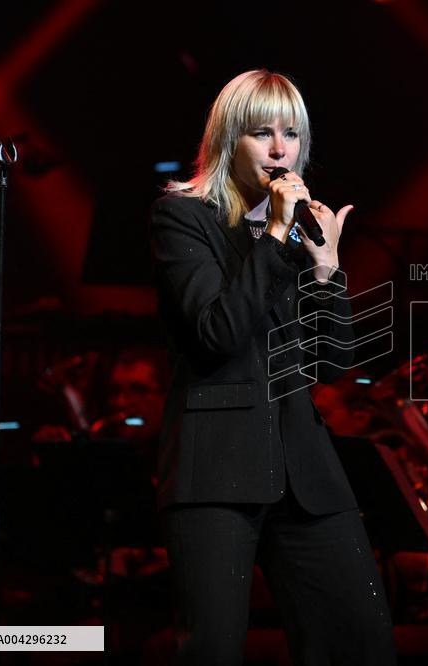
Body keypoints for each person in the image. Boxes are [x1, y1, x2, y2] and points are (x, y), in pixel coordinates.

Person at [149, 69, 396, 665]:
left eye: (292, 133)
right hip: (215, 465)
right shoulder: (184, 219)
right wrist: (277, 237)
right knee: (211, 649)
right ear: (230, 139)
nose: (281, 149)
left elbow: (334, 361)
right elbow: (218, 333)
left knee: (359, 642)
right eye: (262, 132)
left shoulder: (300, 234)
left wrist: (325, 267)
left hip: (305, 469)